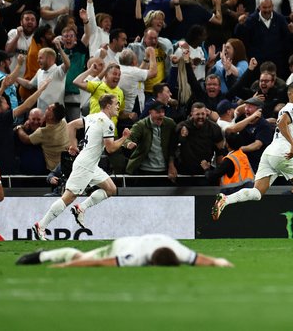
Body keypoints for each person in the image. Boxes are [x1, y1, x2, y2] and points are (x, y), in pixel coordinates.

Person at [211, 83, 293, 237]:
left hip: (270, 153)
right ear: (292, 95)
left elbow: (286, 132)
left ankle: (226, 199)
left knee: (257, 193)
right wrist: (292, 146)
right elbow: (281, 123)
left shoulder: (289, 109)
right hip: (282, 153)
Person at [33, 94, 136, 240]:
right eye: (116, 104)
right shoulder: (107, 122)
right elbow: (110, 148)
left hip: (90, 163)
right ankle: (41, 226)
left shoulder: (92, 117)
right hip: (86, 164)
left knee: (111, 189)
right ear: (108, 106)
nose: (118, 106)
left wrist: (73, 145)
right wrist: (125, 137)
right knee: (68, 197)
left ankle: (81, 208)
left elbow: (71, 125)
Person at [16, 233, 233, 267]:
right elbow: (100, 263)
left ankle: (47, 254)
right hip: (120, 245)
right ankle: (42, 255)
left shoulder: (178, 250)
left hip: (138, 239)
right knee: (79, 256)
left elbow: (199, 259)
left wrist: (217, 262)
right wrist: (66, 266)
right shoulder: (136, 256)